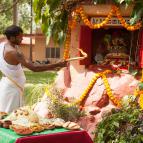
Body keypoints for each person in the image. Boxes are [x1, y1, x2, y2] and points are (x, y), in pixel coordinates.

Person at [0, 25, 67, 113]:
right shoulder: (13, 52)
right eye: (20, 37)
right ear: (12, 38)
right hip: (12, 89)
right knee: (8, 117)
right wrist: (57, 64)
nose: (22, 39)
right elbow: (34, 68)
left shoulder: (4, 45)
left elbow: (29, 62)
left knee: (10, 116)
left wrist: (54, 65)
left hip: (8, 85)